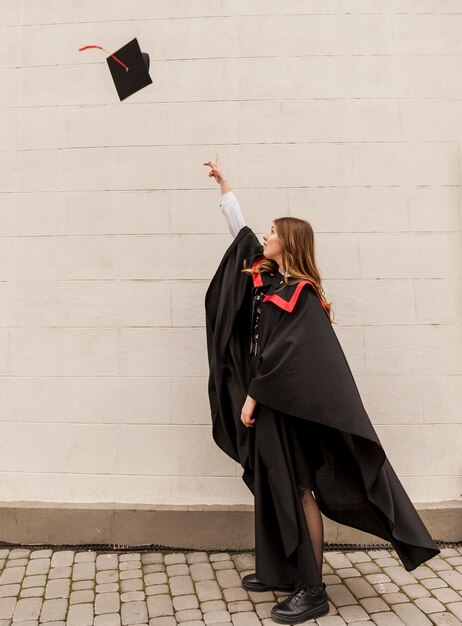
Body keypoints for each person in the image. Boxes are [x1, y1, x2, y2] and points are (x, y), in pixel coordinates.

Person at [203, 154, 440, 625]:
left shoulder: (301, 294)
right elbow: (242, 236)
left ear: (288, 242)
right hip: (271, 407)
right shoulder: (270, 281)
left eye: (273, 230)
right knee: (276, 487)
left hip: (286, 409)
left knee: (298, 488)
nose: (265, 235)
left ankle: (312, 589)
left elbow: (289, 358)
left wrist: (253, 394)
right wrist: (225, 187)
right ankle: (282, 569)